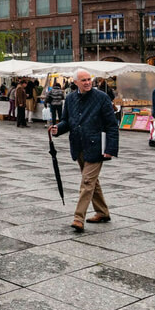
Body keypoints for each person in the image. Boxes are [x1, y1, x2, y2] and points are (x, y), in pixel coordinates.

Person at [50, 68, 119, 233]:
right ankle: (102, 212)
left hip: (96, 146)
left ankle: (78, 218)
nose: (88, 82)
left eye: (89, 79)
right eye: (84, 80)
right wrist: (57, 129)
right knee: (92, 182)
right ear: (75, 82)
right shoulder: (71, 98)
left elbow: (111, 125)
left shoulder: (102, 98)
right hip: (78, 145)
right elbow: (67, 121)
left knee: (87, 182)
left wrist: (110, 148)